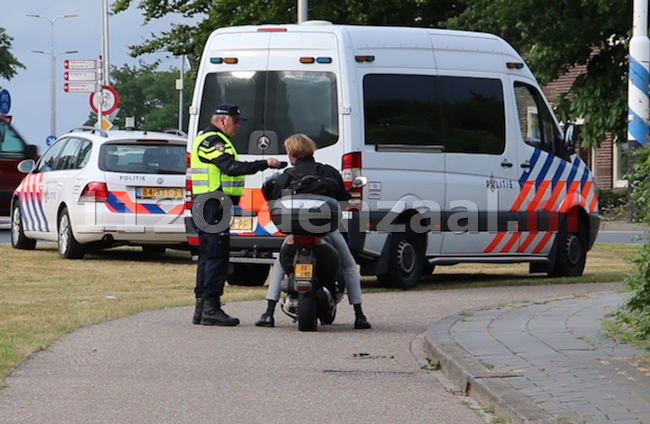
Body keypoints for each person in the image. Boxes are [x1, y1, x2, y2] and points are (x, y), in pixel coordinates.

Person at [255, 133, 371, 330]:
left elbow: (272, 200)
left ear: (291, 153)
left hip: (294, 232)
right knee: (349, 264)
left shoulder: (286, 176)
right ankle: (359, 315)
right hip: (325, 231)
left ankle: (268, 313)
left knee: (280, 265)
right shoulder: (329, 172)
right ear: (311, 150)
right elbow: (342, 200)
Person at [190, 104, 282, 326]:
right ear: (222, 120)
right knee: (216, 254)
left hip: (210, 201)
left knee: (208, 254)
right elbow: (230, 167)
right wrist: (264, 163)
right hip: (213, 202)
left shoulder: (209, 138)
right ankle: (211, 308)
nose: (238, 125)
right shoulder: (212, 140)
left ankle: (202, 308)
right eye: (235, 120)